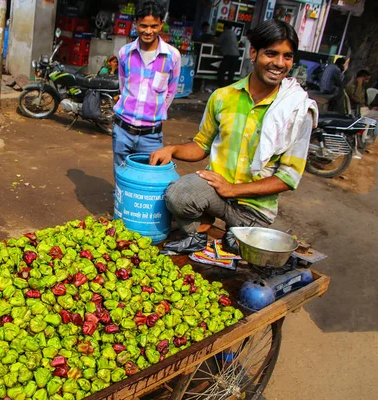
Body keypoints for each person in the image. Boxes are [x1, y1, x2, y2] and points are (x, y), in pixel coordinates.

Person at [149, 19, 317, 252]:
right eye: (271, 54)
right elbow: (201, 145)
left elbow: (288, 178)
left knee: (237, 248)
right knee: (178, 193)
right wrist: (172, 149)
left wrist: (233, 189)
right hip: (217, 194)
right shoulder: (223, 97)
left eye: (287, 56)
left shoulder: (298, 110)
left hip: (254, 211)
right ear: (254, 53)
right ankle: (197, 234)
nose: (279, 63)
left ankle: (234, 233)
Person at [112, 0, 181, 171]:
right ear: (135, 23)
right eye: (143, 26)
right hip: (122, 131)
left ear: (161, 25)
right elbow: (123, 86)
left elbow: (170, 92)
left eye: (154, 26)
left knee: (149, 179)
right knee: (121, 176)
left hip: (152, 136)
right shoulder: (125, 53)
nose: (148, 31)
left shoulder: (172, 56)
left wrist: (154, 112)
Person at [217, 22, 241, 87]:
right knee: (231, 72)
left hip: (229, 55)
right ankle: (229, 87)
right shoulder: (233, 33)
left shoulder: (225, 32)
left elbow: (218, 41)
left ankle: (221, 86)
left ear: (225, 27)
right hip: (236, 55)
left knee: (221, 71)